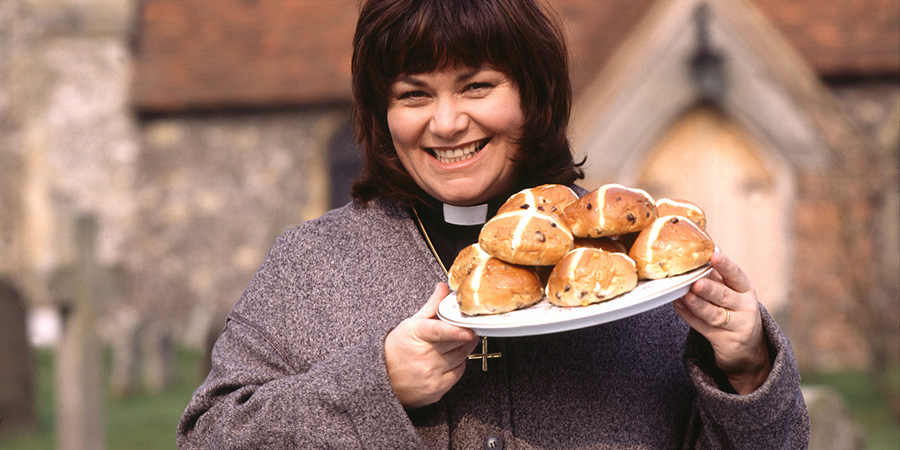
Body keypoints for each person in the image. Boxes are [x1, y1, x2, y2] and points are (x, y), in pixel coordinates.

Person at [176, 0, 809, 448]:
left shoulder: (632, 259)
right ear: (380, 114)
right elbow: (206, 438)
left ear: (533, 96)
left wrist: (748, 370)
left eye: (477, 86)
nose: (446, 123)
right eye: (413, 94)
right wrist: (377, 385)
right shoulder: (312, 266)